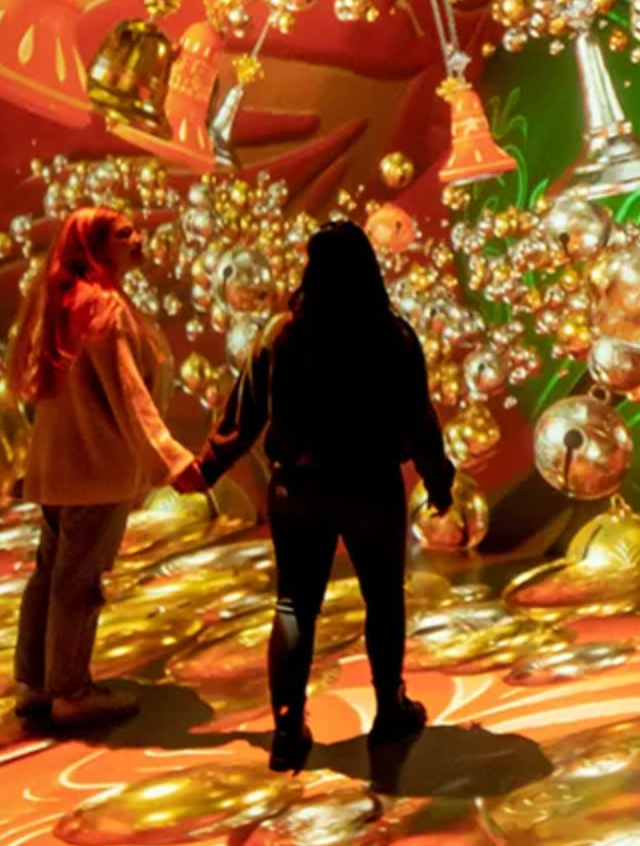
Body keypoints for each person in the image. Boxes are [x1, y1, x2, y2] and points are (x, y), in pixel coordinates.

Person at [176, 219, 456, 772]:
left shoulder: (281, 334)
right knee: (384, 597)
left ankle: (287, 729)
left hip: (298, 487)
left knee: (293, 605)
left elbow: (244, 412)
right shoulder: (393, 336)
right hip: (372, 484)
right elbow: (418, 419)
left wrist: (206, 468)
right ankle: (390, 708)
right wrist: (439, 480)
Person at [9, 206, 193, 727]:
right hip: (96, 470)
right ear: (94, 246)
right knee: (79, 580)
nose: (138, 238)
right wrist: (174, 461)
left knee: (50, 574)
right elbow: (131, 398)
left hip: (59, 469)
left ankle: (35, 681)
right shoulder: (103, 311)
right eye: (122, 233)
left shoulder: (64, 303)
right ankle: (71, 689)